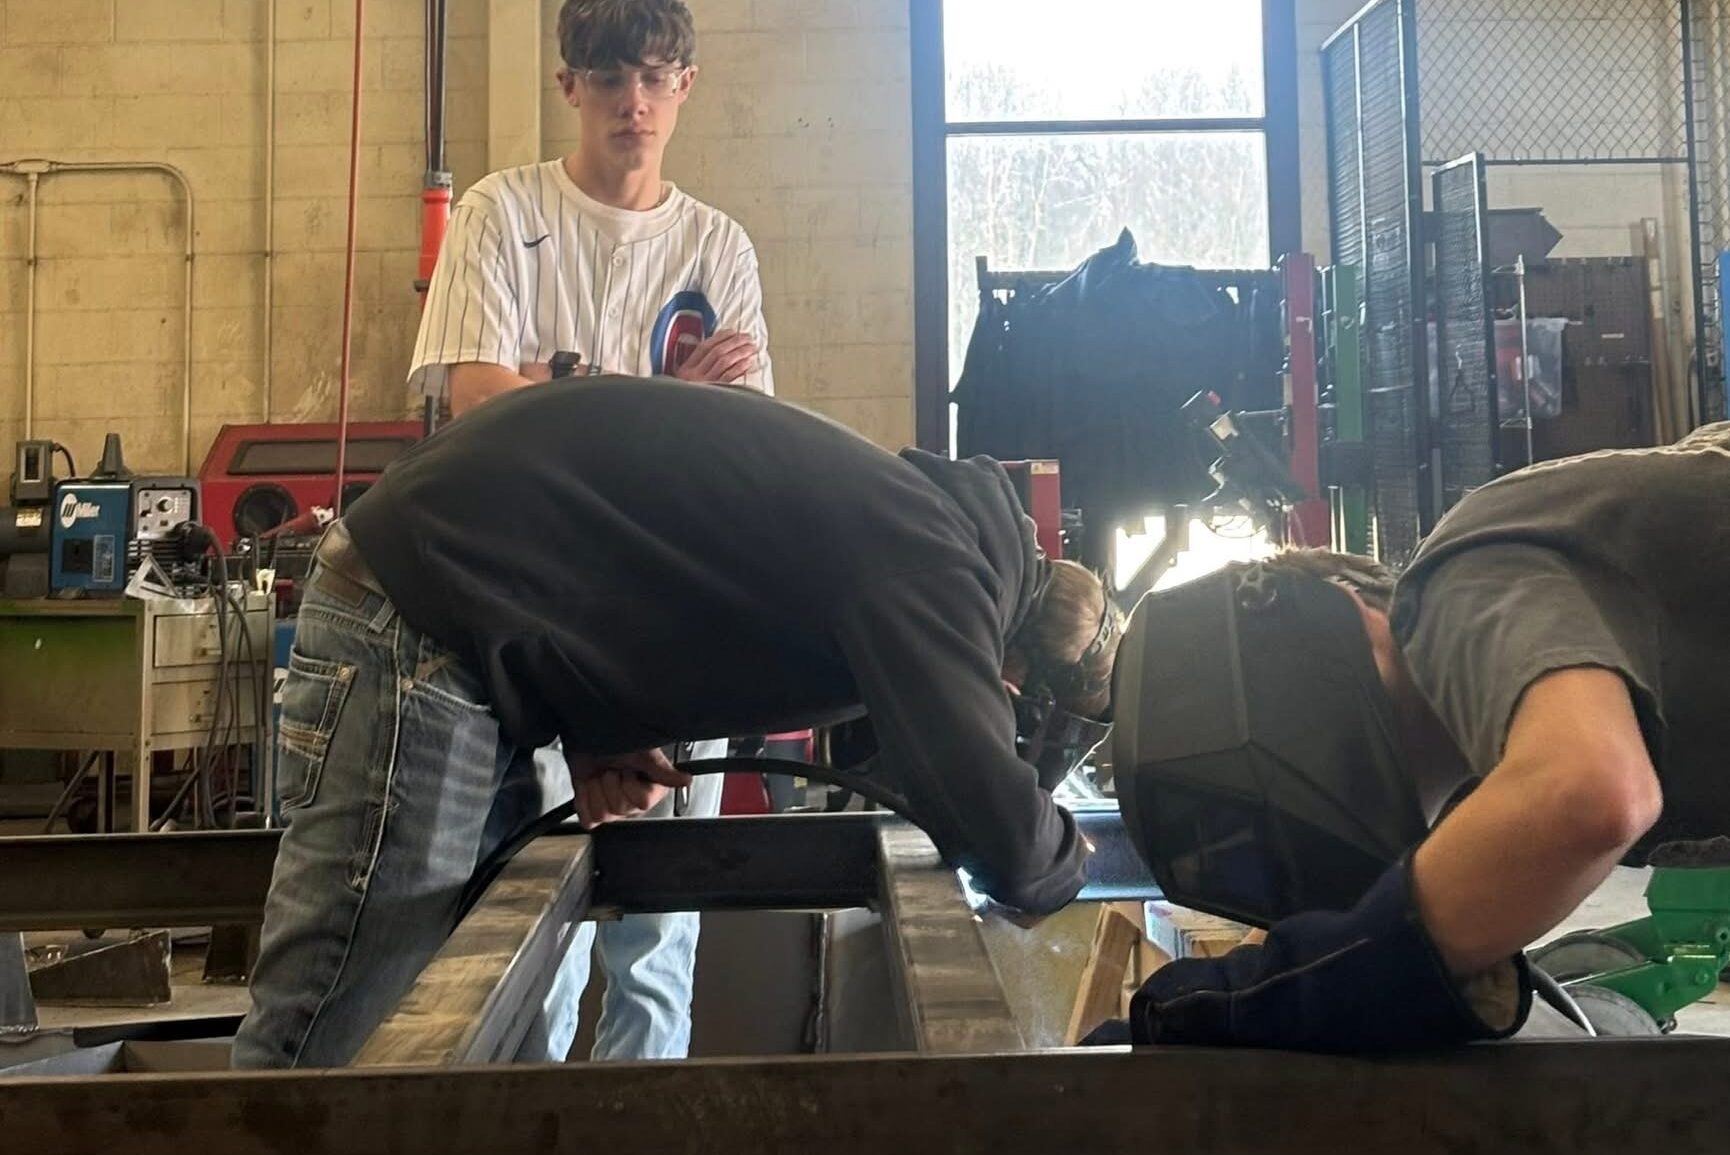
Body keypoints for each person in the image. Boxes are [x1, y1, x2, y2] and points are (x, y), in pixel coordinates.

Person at [231, 377, 1120, 1070]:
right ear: (1016, 675)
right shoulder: (939, 567)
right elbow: (987, 810)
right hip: (424, 605)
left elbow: (655, 557)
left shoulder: (929, 523)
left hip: (462, 605)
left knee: (475, 1032)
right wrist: (1075, 858)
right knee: (338, 1038)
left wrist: (600, 718)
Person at [1091, 422, 1730, 1052]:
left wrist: (1317, 984)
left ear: (1341, 602)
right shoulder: (1532, 727)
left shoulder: (1452, 576)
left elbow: (1587, 796)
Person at [405, 0, 770, 1062]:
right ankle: (532, 1127)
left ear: (685, 86)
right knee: (535, 932)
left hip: (676, 618)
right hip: (534, 620)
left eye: (655, 78)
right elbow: (478, 403)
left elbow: (736, 456)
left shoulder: (717, 247)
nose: (633, 103)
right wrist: (661, 398)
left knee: (658, 940)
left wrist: (557, 384)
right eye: (609, 79)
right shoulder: (500, 213)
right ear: (569, 86)